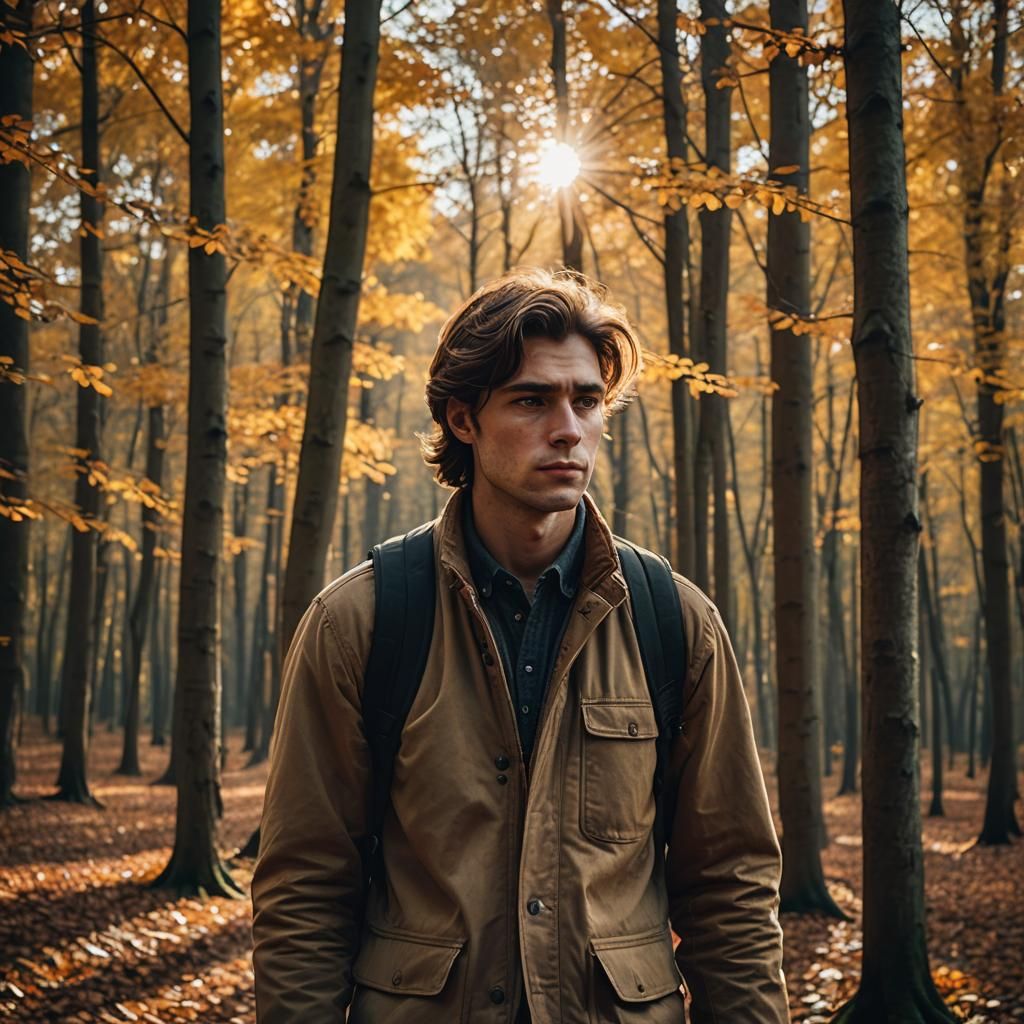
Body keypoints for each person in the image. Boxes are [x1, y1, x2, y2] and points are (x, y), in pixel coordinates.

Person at [251, 268, 790, 1023]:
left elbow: (731, 885)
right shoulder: (363, 621)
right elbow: (305, 887)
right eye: (533, 400)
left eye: (588, 400)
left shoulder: (674, 622)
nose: (568, 427)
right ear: (464, 419)